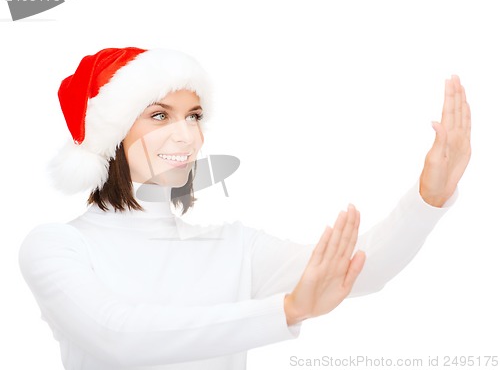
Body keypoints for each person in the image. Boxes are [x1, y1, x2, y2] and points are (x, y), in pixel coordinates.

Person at [18, 47, 471, 370]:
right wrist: (287, 310)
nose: (187, 136)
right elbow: (117, 337)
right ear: (107, 136)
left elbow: (358, 271)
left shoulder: (232, 246)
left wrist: (429, 198)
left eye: (194, 115)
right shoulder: (59, 245)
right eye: (160, 116)